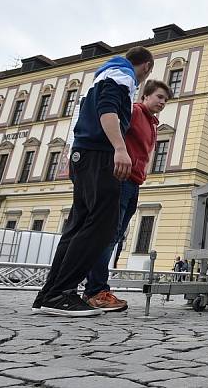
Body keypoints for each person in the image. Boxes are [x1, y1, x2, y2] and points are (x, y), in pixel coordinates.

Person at [31, 46, 154, 317]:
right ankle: (61, 293)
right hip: (99, 155)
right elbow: (108, 111)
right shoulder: (122, 77)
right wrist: (120, 148)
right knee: (102, 224)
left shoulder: (104, 75)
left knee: (78, 226)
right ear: (146, 67)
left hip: (83, 155)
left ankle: (51, 293)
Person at [82, 80, 172, 311]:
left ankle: (97, 288)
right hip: (121, 179)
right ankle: (96, 290)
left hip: (134, 182)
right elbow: (111, 132)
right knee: (109, 235)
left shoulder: (151, 123)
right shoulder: (133, 111)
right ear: (146, 96)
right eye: (159, 97)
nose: (162, 102)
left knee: (117, 236)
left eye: (165, 100)